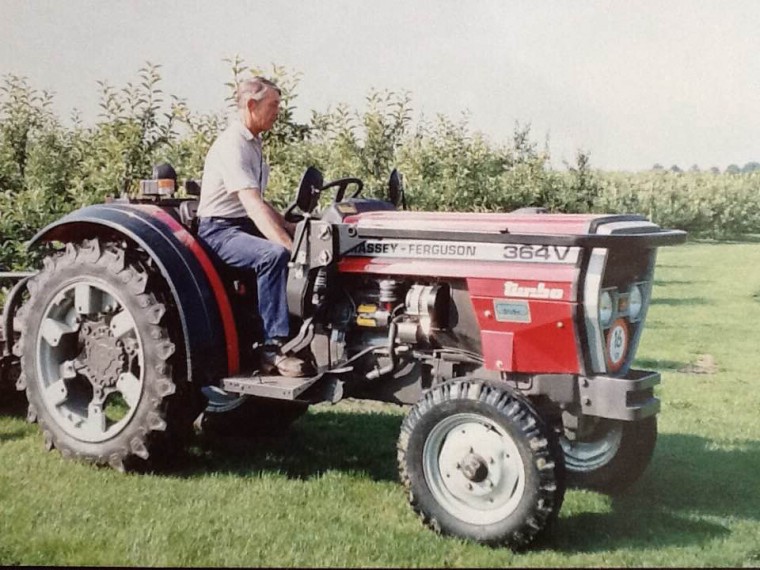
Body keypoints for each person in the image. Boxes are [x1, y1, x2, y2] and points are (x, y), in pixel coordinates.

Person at [197, 76, 313, 377]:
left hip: (241, 225)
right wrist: (291, 250)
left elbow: (258, 202)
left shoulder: (254, 143)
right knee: (273, 256)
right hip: (218, 231)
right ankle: (272, 349)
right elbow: (251, 204)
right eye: (273, 105)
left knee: (307, 240)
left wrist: (292, 227)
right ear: (251, 104)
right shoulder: (232, 145)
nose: (278, 111)